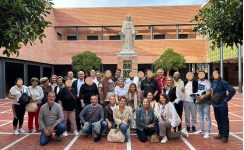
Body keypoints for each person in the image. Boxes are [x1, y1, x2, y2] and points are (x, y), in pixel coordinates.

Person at [210, 70, 235, 143]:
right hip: (215, 104)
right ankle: (220, 133)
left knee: (224, 120)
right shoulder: (213, 82)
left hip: (222, 105)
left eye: (215, 74)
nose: (214, 75)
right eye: (213, 74)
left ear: (219, 74)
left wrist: (226, 100)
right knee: (218, 120)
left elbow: (232, 90)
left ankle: (225, 136)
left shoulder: (223, 82)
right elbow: (211, 91)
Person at [194, 71, 212, 139]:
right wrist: (195, 97)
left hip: (206, 102)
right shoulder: (197, 82)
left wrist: (203, 97)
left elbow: (209, 92)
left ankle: (208, 132)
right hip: (199, 101)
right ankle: (201, 129)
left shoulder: (207, 82)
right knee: (200, 117)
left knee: (207, 117)